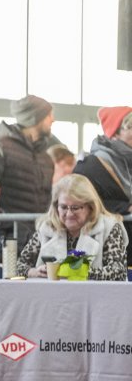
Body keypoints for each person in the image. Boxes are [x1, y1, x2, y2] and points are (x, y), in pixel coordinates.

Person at [0, 94, 58, 243]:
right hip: (6, 237)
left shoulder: (45, 157)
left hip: (38, 238)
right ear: (35, 118)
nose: (52, 120)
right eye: (48, 115)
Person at [17, 174, 128, 281]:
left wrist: (80, 272)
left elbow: (119, 272)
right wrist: (34, 272)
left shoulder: (109, 227)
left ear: (91, 207)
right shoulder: (47, 227)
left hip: (96, 293)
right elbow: (18, 266)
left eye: (75, 208)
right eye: (63, 207)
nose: (69, 214)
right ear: (56, 206)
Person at [74, 106, 132, 266]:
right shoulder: (89, 165)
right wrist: (125, 208)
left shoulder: (129, 164)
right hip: (104, 248)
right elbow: (79, 201)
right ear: (115, 132)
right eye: (130, 128)